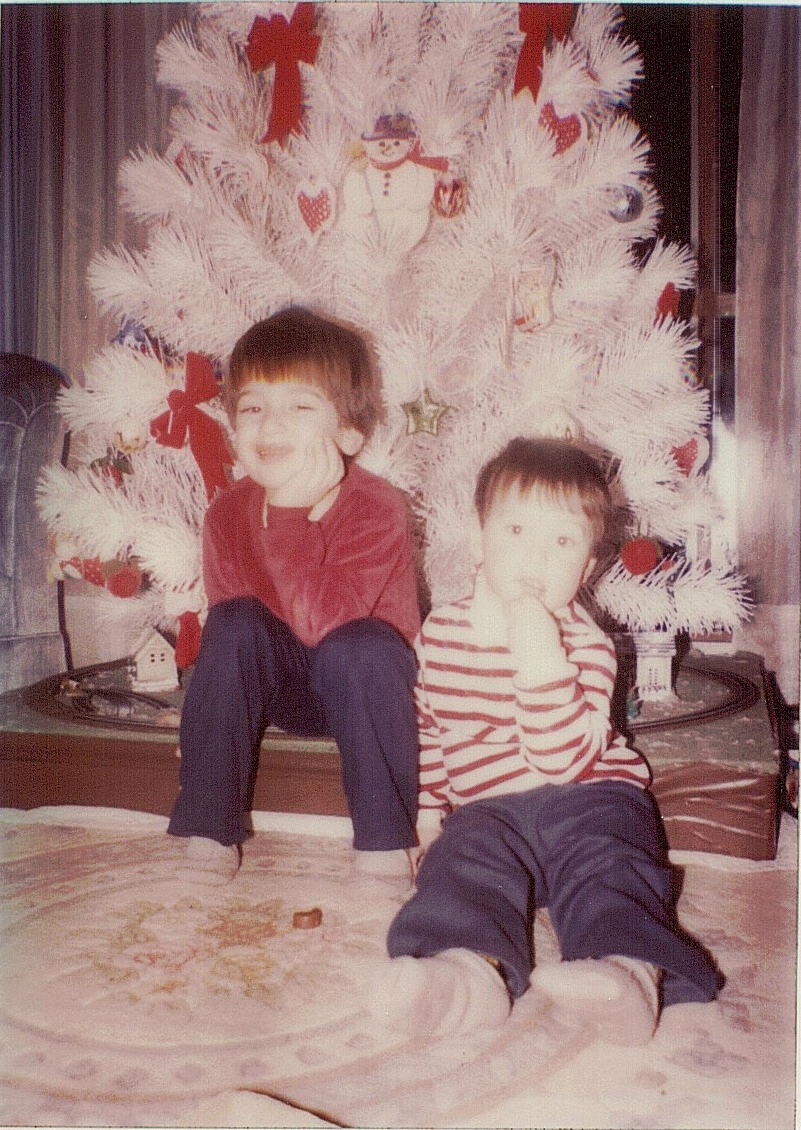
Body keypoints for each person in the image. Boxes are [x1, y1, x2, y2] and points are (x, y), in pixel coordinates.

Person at [371, 437, 720, 1043]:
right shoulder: (443, 633)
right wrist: (429, 815)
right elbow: (429, 725)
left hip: (589, 794)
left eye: (561, 541)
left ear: (586, 567)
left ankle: (627, 973)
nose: (534, 556)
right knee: (463, 870)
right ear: (479, 536)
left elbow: (561, 759)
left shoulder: (584, 645)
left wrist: (538, 651)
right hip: (487, 807)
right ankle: (464, 976)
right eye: (515, 531)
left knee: (609, 867)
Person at [168, 307, 421, 882]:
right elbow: (241, 638)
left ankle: (384, 842)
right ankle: (209, 826)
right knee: (231, 624)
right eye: (253, 407)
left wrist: (294, 517)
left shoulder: (376, 506)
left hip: (368, 689)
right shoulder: (228, 513)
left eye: (300, 407)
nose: (270, 425)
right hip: (288, 687)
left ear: (348, 433)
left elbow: (325, 626)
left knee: (362, 646)